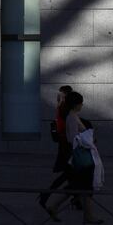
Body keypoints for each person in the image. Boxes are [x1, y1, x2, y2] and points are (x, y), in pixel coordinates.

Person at [46, 91, 104, 224]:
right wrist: (87, 140)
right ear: (76, 104)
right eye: (80, 103)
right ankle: (88, 216)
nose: (82, 105)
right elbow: (72, 138)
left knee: (78, 186)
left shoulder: (73, 116)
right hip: (82, 158)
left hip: (81, 157)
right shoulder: (72, 117)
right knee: (85, 186)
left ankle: (54, 206)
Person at [39, 86, 82, 215]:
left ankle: (75, 199)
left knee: (70, 176)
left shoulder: (62, 106)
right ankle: (47, 197)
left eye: (62, 94)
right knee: (70, 176)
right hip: (67, 147)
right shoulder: (65, 109)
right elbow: (69, 128)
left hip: (65, 145)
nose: (60, 96)